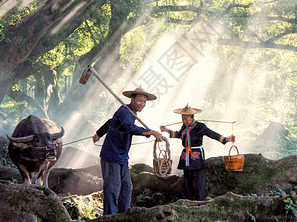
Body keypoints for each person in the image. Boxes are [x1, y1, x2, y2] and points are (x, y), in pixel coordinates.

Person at [92, 87, 164, 215]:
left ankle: (123, 216)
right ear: (132, 99)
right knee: (113, 188)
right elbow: (129, 127)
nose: (142, 104)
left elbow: (110, 122)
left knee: (126, 187)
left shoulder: (131, 113)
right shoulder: (124, 111)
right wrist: (151, 132)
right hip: (111, 154)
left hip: (122, 156)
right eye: (140, 100)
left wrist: (99, 133)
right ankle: (110, 218)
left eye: (144, 102)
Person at [160, 104, 235, 201]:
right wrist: (166, 130)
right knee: (187, 177)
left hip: (196, 155)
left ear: (192, 118)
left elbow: (211, 134)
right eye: (183, 118)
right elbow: (179, 135)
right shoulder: (184, 127)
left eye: (186, 119)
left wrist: (225, 139)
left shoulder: (200, 126)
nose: (184, 121)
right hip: (186, 155)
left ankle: (200, 198)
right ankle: (188, 199)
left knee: (198, 178)